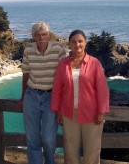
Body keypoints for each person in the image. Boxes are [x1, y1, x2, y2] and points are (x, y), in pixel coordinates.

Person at [51, 29, 110, 164]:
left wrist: (101, 112)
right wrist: (57, 110)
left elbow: (103, 89)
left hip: (91, 114)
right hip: (68, 113)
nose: (77, 44)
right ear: (69, 44)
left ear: (85, 43)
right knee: (70, 149)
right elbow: (57, 89)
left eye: (80, 41)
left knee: (92, 150)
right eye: (73, 42)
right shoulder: (63, 64)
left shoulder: (94, 63)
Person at [21, 21, 67, 164]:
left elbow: (63, 76)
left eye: (44, 34)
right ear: (33, 36)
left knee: (48, 138)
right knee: (32, 138)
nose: (41, 37)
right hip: (31, 96)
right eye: (38, 35)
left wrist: (61, 101)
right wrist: (23, 97)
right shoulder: (28, 50)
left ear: (49, 34)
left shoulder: (58, 49)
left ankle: (49, 161)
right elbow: (26, 74)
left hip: (51, 97)